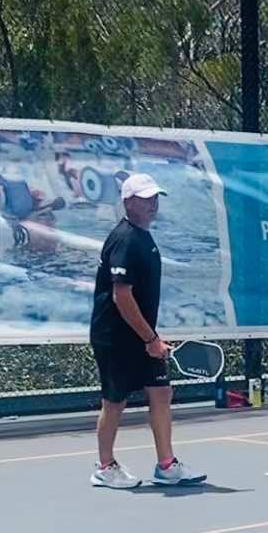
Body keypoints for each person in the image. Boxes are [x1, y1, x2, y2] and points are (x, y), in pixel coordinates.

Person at [89, 172, 206, 489]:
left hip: (141, 335)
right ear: (128, 202)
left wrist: (151, 337)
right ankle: (104, 467)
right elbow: (121, 296)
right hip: (114, 336)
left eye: (155, 197)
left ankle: (167, 466)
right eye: (145, 199)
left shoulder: (143, 236)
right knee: (115, 401)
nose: (152, 204)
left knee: (161, 391)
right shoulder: (126, 239)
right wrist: (151, 339)